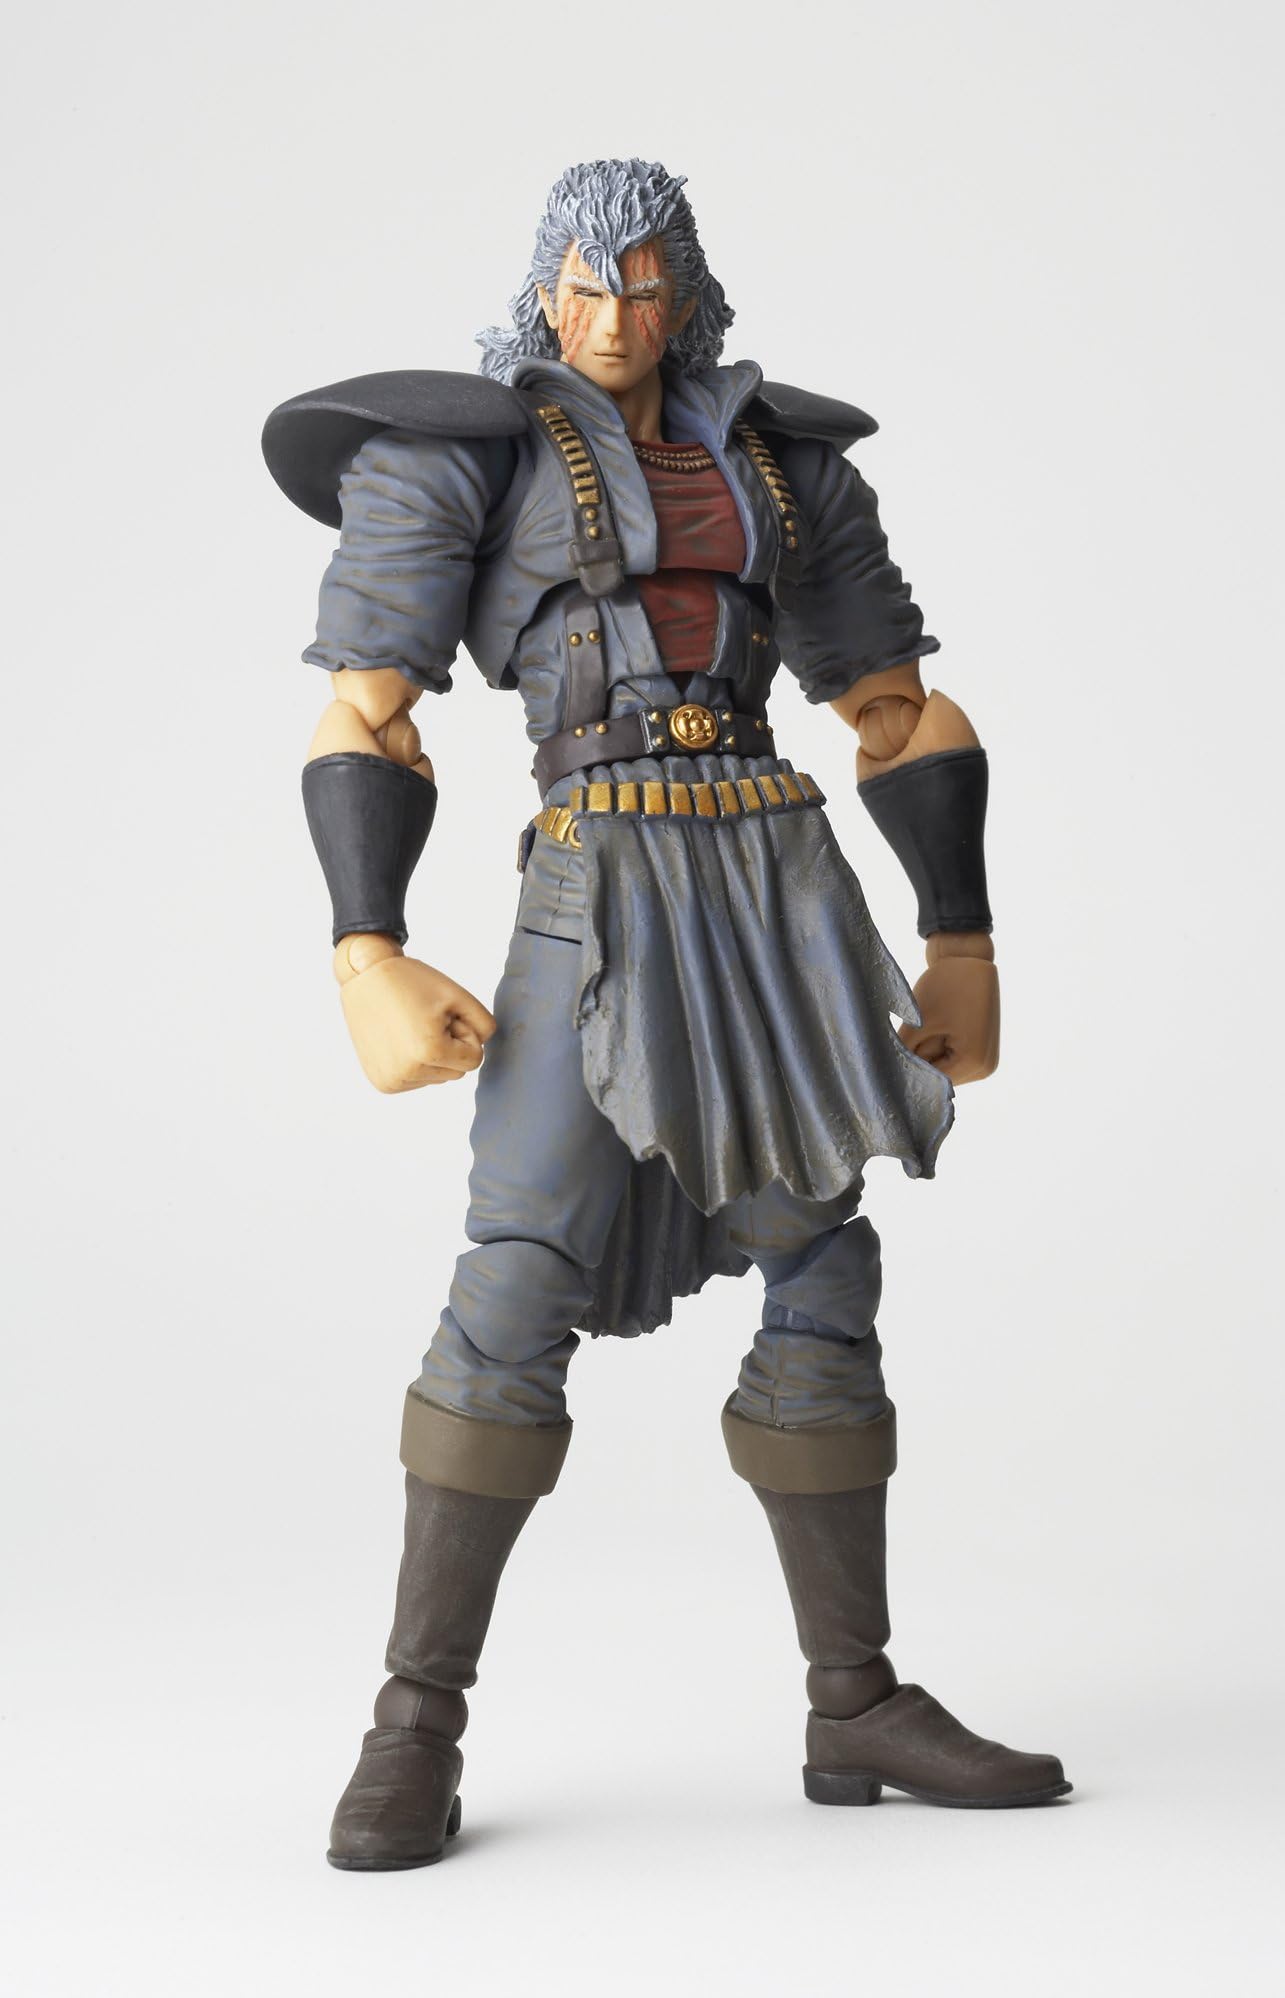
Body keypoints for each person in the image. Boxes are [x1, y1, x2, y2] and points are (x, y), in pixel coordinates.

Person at [263, 157, 1070, 1871]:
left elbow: (895, 707)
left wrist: (961, 940)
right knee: (514, 1277)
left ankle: (853, 1701)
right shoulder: (457, 451)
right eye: (580, 285)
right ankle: (412, 1725)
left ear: (684, 291)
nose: (610, 317)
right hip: (599, 873)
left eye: (638, 286)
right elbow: (370, 710)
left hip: (775, 874)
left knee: (823, 1261)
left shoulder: (782, 459)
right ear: (541, 287)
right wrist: (364, 950)